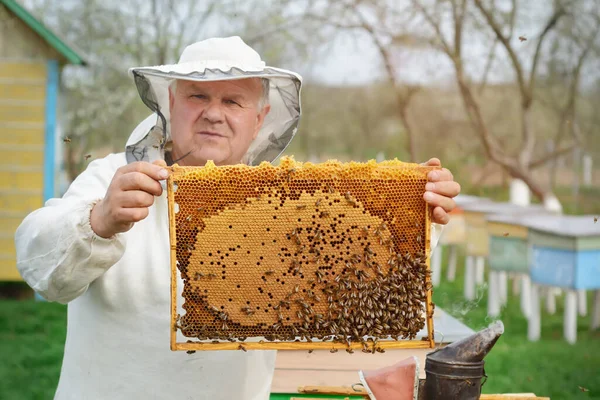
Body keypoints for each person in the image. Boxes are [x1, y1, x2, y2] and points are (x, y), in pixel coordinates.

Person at [14, 36, 461, 400]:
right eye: (198, 96)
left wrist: (419, 218)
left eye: (233, 101)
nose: (214, 112)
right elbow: (39, 266)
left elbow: (350, 275)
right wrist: (98, 220)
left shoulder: (281, 206)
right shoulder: (112, 176)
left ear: (260, 117)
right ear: (172, 102)